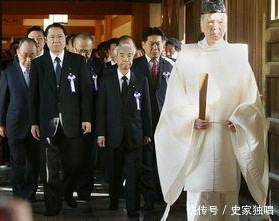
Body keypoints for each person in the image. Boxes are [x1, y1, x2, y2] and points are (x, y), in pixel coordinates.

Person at [155, 0, 269, 220]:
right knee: (200, 197)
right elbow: (173, 104)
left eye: (219, 22)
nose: (215, 27)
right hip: (198, 137)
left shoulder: (237, 56)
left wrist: (239, 119)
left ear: (226, 24)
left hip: (228, 137)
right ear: (201, 24)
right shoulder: (187, 55)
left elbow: (251, 102)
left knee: (227, 198)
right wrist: (190, 119)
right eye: (210, 22)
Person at [29, 23, 92, 216]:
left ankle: (66, 191)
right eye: (52, 37)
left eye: (60, 37)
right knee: (50, 168)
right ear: (46, 41)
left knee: (75, 162)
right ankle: (53, 206)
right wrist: (34, 122)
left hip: (73, 121)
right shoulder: (38, 64)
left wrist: (86, 118)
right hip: (47, 123)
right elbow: (33, 96)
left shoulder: (78, 61)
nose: (56, 40)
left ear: (66, 40)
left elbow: (85, 93)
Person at [96, 44, 152, 218]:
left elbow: (146, 109)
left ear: (134, 57)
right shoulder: (107, 80)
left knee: (133, 174)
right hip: (113, 135)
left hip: (134, 136)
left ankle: (132, 207)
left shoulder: (141, 80)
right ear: (115, 58)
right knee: (114, 172)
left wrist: (147, 133)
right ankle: (113, 201)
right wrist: (101, 133)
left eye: (129, 55)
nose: (126, 58)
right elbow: (101, 110)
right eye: (121, 55)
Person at [132, 27, 173, 211]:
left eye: (159, 43)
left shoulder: (172, 65)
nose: (155, 47)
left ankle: (163, 196)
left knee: (164, 160)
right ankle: (148, 199)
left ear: (163, 45)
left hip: (166, 121)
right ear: (143, 44)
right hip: (142, 120)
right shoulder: (135, 64)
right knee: (146, 161)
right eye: (151, 43)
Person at [0, 38, 39, 201]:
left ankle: (30, 194)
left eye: (32, 55)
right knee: (17, 162)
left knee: (34, 164)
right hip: (14, 124)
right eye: (25, 55)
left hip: (36, 126)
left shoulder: (41, 71)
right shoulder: (8, 72)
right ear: (17, 53)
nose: (28, 59)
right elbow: (2, 99)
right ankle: (18, 195)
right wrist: (0, 122)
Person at [72, 32, 105, 200]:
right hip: (73, 116)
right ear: (73, 48)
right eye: (80, 51)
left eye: (88, 51)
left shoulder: (100, 65)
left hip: (93, 117)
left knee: (89, 157)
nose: (84, 55)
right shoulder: (68, 64)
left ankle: (85, 191)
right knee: (73, 156)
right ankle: (69, 188)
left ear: (93, 49)